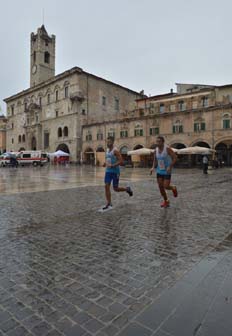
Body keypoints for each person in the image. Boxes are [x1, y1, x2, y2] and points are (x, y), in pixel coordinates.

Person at [101, 136, 133, 211]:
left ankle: (127, 189)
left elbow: (121, 161)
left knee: (116, 188)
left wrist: (113, 165)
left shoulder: (115, 151)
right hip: (108, 171)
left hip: (115, 172)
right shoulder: (107, 150)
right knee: (106, 186)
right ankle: (109, 203)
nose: (107, 143)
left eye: (109, 142)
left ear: (112, 142)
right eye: (107, 142)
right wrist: (105, 163)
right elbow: (108, 159)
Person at [150, 136, 178, 208]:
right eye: (157, 141)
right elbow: (155, 160)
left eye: (159, 141)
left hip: (167, 170)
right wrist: (153, 167)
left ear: (163, 142)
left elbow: (175, 158)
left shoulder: (167, 149)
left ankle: (173, 188)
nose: (157, 143)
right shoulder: (155, 150)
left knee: (166, 186)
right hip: (159, 170)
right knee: (160, 187)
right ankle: (166, 201)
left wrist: (170, 166)